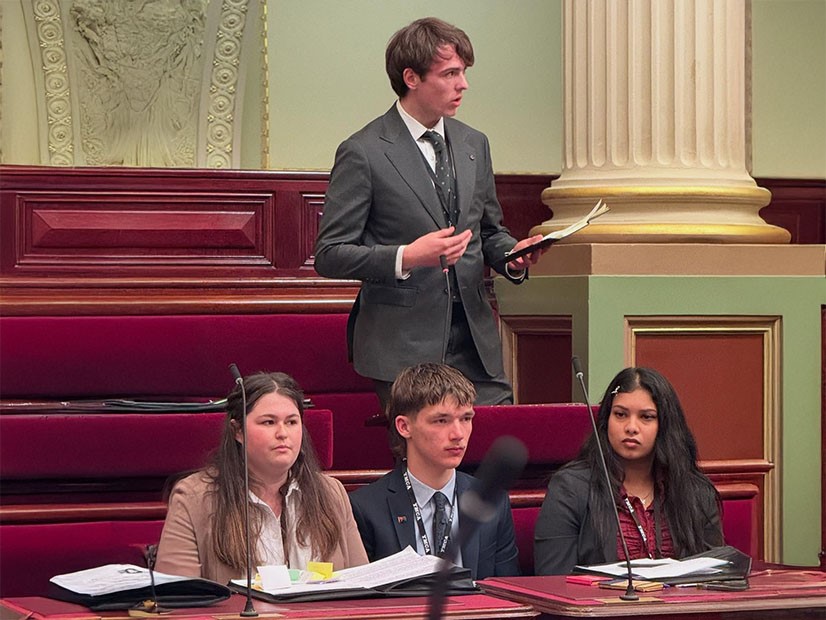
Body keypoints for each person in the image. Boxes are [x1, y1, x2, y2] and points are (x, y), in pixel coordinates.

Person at [314, 17, 545, 409]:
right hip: (404, 350)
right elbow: (330, 253)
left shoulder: (474, 143)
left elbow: (489, 232)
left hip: (476, 344)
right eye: (451, 73)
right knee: (427, 463)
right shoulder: (364, 151)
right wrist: (408, 256)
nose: (463, 85)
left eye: (464, 73)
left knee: (504, 454)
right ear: (412, 77)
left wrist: (513, 257)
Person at [156, 372, 368, 582]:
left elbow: (362, 587)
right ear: (237, 431)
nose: (283, 433)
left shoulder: (332, 493)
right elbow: (178, 601)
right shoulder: (194, 499)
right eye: (269, 422)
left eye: (292, 422)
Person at [534, 367, 724, 575]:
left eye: (646, 417)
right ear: (606, 420)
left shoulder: (694, 491)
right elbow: (553, 580)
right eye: (621, 414)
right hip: (601, 606)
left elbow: (715, 575)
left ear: (665, 426)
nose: (631, 427)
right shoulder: (570, 488)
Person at [348, 363, 520, 580]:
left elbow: (508, 591)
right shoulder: (365, 508)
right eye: (441, 420)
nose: (458, 434)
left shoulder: (492, 501)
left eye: (466, 419)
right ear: (404, 427)